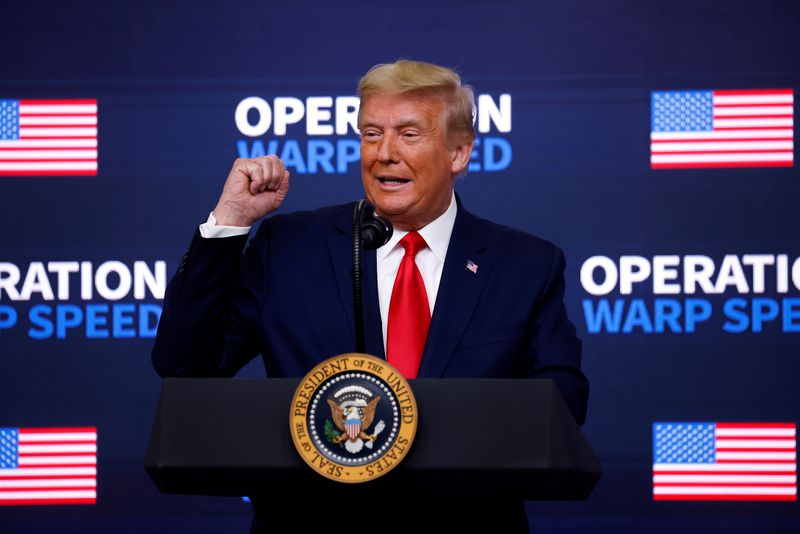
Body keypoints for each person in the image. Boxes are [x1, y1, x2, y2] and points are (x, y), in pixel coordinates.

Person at [152, 59, 588, 533]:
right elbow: (185, 364)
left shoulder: (524, 264)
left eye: (409, 133)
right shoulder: (289, 248)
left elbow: (562, 403)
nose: (384, 153)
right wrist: (231, 218)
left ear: (459, 153)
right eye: (371, 133)